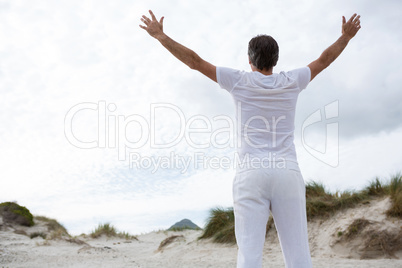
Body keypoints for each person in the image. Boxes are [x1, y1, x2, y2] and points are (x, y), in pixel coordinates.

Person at [140, 10, 361, 268]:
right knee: (298, 255)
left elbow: (195, 62)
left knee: (249, 257)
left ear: (249, 60)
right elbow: (324, 60)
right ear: (276, 60)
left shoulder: (238, 81)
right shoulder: (292, 80)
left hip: (251, 173)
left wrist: (160, 36)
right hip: (287, 172)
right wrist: (345, 37)